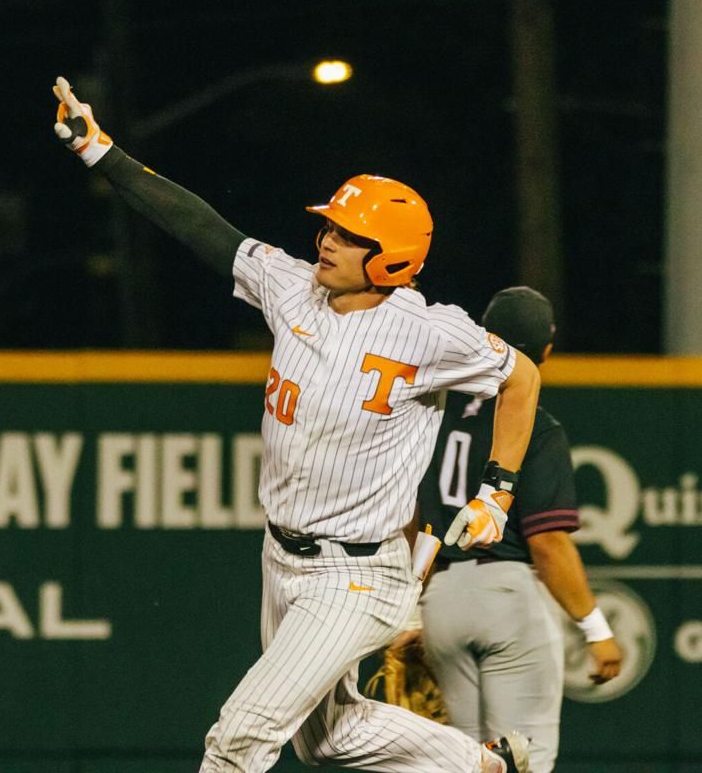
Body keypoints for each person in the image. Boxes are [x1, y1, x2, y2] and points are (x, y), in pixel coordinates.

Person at [52, 75, 541, 773]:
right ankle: (487, 769)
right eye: (330, 226)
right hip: (281, 559)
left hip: (359, 575)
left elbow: (521, 375)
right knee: (329, 740)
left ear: (393, 258)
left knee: (238, 738)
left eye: (349, 234)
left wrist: (498, 489)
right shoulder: (293, 288)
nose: (327, 240)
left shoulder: (431, 333)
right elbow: (200, 227)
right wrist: (102, 152)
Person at [405, 285, 622, 773]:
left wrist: (412, 608)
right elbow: (547, 542)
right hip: (506, 593)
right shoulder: (534, 425)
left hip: (442, 598)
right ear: (546, 349)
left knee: (466, 761)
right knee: (524, 760)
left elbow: (410, 515)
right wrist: (595, 627)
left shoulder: (436, 412)